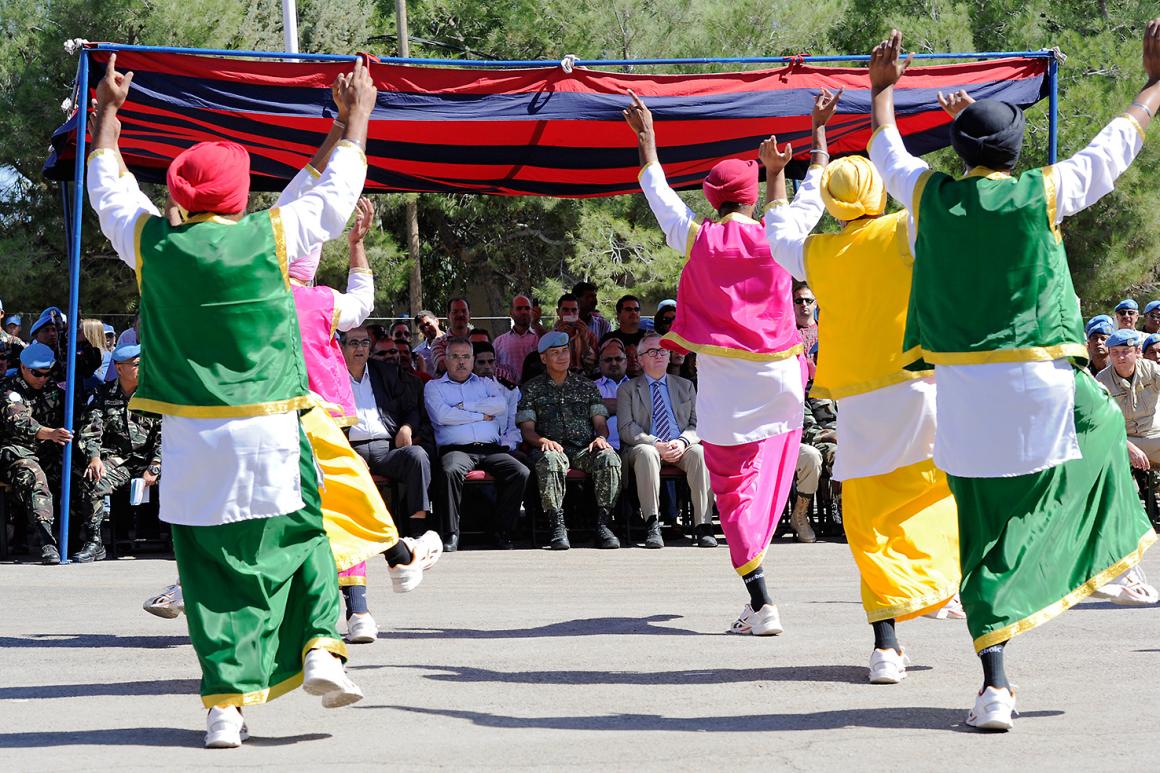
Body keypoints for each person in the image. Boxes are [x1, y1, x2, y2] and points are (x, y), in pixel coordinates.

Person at [868, 26, 1160, 729]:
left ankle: (994, 685)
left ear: (961, 152)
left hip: (962, 397)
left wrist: (882, 91)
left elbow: (887, 152)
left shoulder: (930, 197)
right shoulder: (1043, 191)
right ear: (1016, 151)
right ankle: (1110, 556)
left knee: (983, 535)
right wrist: (1154, 84)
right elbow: (1114, 145)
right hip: (1042, 384)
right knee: (1104, 426)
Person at [87, 54, 375, 746]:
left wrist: (108, 114)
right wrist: (356, 117)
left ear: (179, 197)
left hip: (189, 443)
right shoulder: (269, 236)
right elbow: (333, 197)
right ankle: (320, 647)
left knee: (209, 573)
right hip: (268, 428)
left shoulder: (153, 244)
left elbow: (108, 188)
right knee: (305, 536)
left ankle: (224, 708)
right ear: (242, 199)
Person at [765, 91, 963, 684]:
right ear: (879, 192)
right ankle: (938, 587)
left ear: (829, 203)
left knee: (869, 520)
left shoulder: (817, 253)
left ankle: (886, 646)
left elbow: (779, 227)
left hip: (856, 402)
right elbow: (933, 186)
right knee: (937, 494)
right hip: (918, 386)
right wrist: (905, 107)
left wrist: (779, 173)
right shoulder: (906, 229)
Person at [627, 90, 803, 636]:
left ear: (711, 198)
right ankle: (761, 576)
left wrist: (648, 141)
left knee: (733, 489)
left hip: (726, 384)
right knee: (772, 466)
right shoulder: (779, 234)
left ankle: (761, 599)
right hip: (782, 375)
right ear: (751, 198)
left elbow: (660, 196)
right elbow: (810, 201)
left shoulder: (698, 237)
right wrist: (800, 157)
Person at [517, 331, 622, 550]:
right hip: (550, 449)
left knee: (609, 458)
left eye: (565, 351)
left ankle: (603, 524)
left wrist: (601, 437)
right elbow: (527, 430)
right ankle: (557, 525)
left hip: (584, 449)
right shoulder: (532, 389)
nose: (562, 356)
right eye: (555, 353)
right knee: (550, 461)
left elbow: (600, 421)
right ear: (543, 358)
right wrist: (542, 441)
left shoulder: (586, 386)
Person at [425, 337, 530, 550]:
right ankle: (451, 533)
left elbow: (499, 406)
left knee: (520, 472)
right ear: (446, 359)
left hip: (490, 449)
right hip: (457, 450)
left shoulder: (486, 384)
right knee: (450, 470)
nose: (461, 362)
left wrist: (463, 406)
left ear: (472, 360)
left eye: (466, 357)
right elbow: (443, 416)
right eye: (455, 356)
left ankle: (502, 531)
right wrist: (481, 416)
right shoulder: (434, 387)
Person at [618, 332, 715, 549]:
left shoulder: (685, 386)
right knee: (647, 453)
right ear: (640, 359)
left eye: (663, 351)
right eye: (652, 351)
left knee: (700, 453)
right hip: (645, 446)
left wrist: (682, 441)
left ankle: (703, 526)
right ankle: (652, 524)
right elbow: (626, 428)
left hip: (679, 445)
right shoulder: (628, 389)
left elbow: (697, 424)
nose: (659, 355)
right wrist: (655, 444)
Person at [342, 325, 434, 543]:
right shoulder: (333, 377)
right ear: (341, 347)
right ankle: (350, 535)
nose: (360, 348)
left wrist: (406, 427)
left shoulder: (385, 372)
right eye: (354, 343)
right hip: (349, 450)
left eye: (365, 343)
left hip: (387, 448)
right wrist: (347, 453)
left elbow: (411, 408)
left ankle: (417, 530)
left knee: (418, 456)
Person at [75, 343, 161, 562]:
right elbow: (91, 431)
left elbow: (167, 435)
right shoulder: (102, 395)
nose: (143, 368)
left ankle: (183, 540)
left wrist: (155, 466)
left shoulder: (155, 394)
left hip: (154, 461)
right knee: (93, 480)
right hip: (120, 461)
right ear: (119, 368)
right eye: (137, 364)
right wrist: (94, 457)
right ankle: (95, 542)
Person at [0, 342, 72, 564]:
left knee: (79, 472)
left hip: (48, 451)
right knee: (34, 475)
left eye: (46, 374)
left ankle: (81, 538)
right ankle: (47, 541)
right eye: (37, 374)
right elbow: (19, 421)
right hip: (14, 452)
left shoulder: (54, 388)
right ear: (23, 367)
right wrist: (50, 433)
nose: (42, 379)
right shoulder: (8, 390)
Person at [791, 396, 839, 544]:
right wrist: (831, 436)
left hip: (853, 439)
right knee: (840, 455)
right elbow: (807, 429)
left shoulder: (850, 387)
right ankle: (848, 515)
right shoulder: (807, 391)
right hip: (824, 441)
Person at [493, 294, 540, 385]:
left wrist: (537, 324)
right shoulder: (498, 343)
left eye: (527, 308)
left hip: (535, 389)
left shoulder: (540, 338)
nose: (524, 312)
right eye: (519, 308)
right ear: (511, 312)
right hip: (508, 390)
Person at [593, 339, 629, 451]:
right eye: (608, 360)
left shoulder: (638, 386)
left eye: (618, 359)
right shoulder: (591, 387)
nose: (613, 363)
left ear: (626, 362)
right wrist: (630, 406)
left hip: (635, 447)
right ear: (600, 363)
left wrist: (604, 404)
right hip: (603, 448)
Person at [552, 293, 598, 374]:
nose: (570, 314)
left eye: (574, 310)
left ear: (578, 312)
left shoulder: (590, 335)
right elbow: (551, 364)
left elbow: (592, 366)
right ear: (558, 312)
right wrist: (558, 338)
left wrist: (584, 340)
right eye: (565, 310)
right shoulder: (550, 337)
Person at [432, 298, 472, 375]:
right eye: (455, 312)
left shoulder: (480, 338)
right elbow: (443, 366)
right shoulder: (439, 343)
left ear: (469, 315)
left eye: (464, 311)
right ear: (448, 315)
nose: (460, 315)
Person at [793, 284, 819, 360]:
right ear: (793, 305)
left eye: (808, 300)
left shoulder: (825, 331)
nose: (804, 304)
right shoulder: (787, 333)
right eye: (799, 301)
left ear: (815, 304)